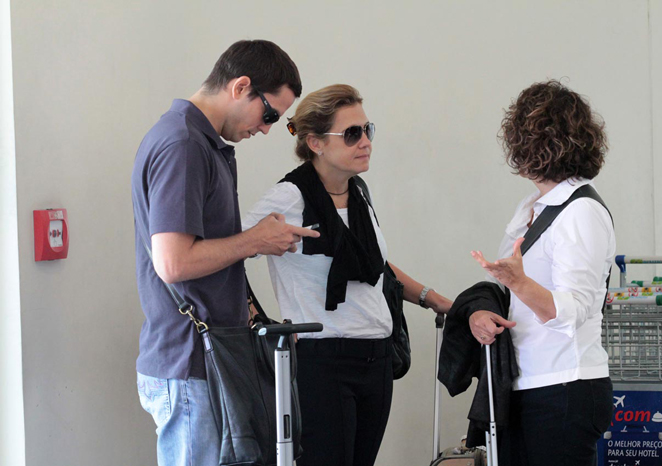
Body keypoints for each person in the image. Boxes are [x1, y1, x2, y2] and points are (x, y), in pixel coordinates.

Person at [243, 84, 453, 466]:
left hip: (376, 358)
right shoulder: (290, 198)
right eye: (352, 133)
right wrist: (253, 319)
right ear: (316, 143)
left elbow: (375, 267)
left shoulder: (358, 193)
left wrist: (432, 298)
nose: (365, 142)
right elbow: (232, 249)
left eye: (367, 130)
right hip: (324, 362)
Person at [131, 39, 320, 466]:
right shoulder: (183, 144)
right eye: (269, 114)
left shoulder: (197, 141)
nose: (267, 128)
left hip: (204, 359)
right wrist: (254, 240)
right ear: (240, 87)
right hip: (191, 362)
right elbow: (173, 262)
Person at [469, 80, 615, 466]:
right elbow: (515, 296)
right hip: (532, 382)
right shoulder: (534, 206)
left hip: (564, 386)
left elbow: (572, 310)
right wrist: (484, 312)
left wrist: (519, 281)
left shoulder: (580, 211)